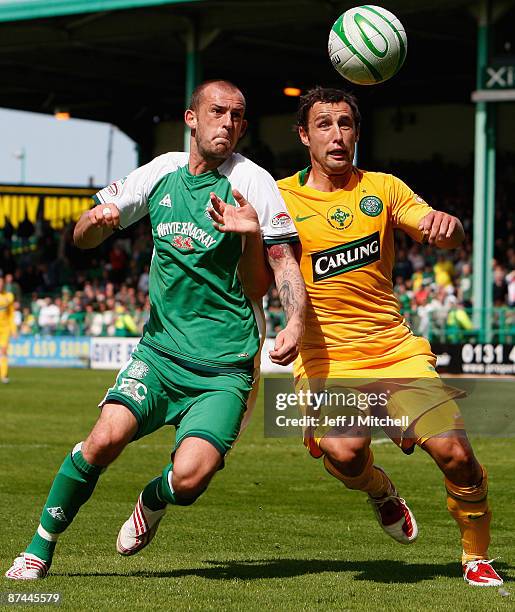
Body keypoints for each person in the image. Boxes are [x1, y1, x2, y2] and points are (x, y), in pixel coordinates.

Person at [6, 79, 306, 580]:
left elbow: (278, 269)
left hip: (226, 366)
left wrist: (291, 311)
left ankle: (155, 496)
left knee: (190, 480)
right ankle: (39, 546)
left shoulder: (254, 183)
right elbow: (83, 234)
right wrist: (96, 223)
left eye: (237, 116)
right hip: (160, 355)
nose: (227, 123)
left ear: (244, 126)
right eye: (217, 112)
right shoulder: (162, 172)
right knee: (102, 441)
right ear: (191, 119)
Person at [277, 86, 502, 587]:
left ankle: (475, 555)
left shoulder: (384, 187)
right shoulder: (280, 198)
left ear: (357, 131)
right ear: (303, 135)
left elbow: (437, 226)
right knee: (347, 451)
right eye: (324, 124)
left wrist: (449, 227)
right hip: (324, 359)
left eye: (346, 124)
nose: (337, 135)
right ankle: (381, 491)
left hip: (394, 350)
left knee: (456, 456)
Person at [0, 276, 16, 383]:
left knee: (3, 351)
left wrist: (14, 330)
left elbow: (11, 315)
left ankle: (4, 375)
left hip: (4, 329)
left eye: (1, 283)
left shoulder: (9, 297)